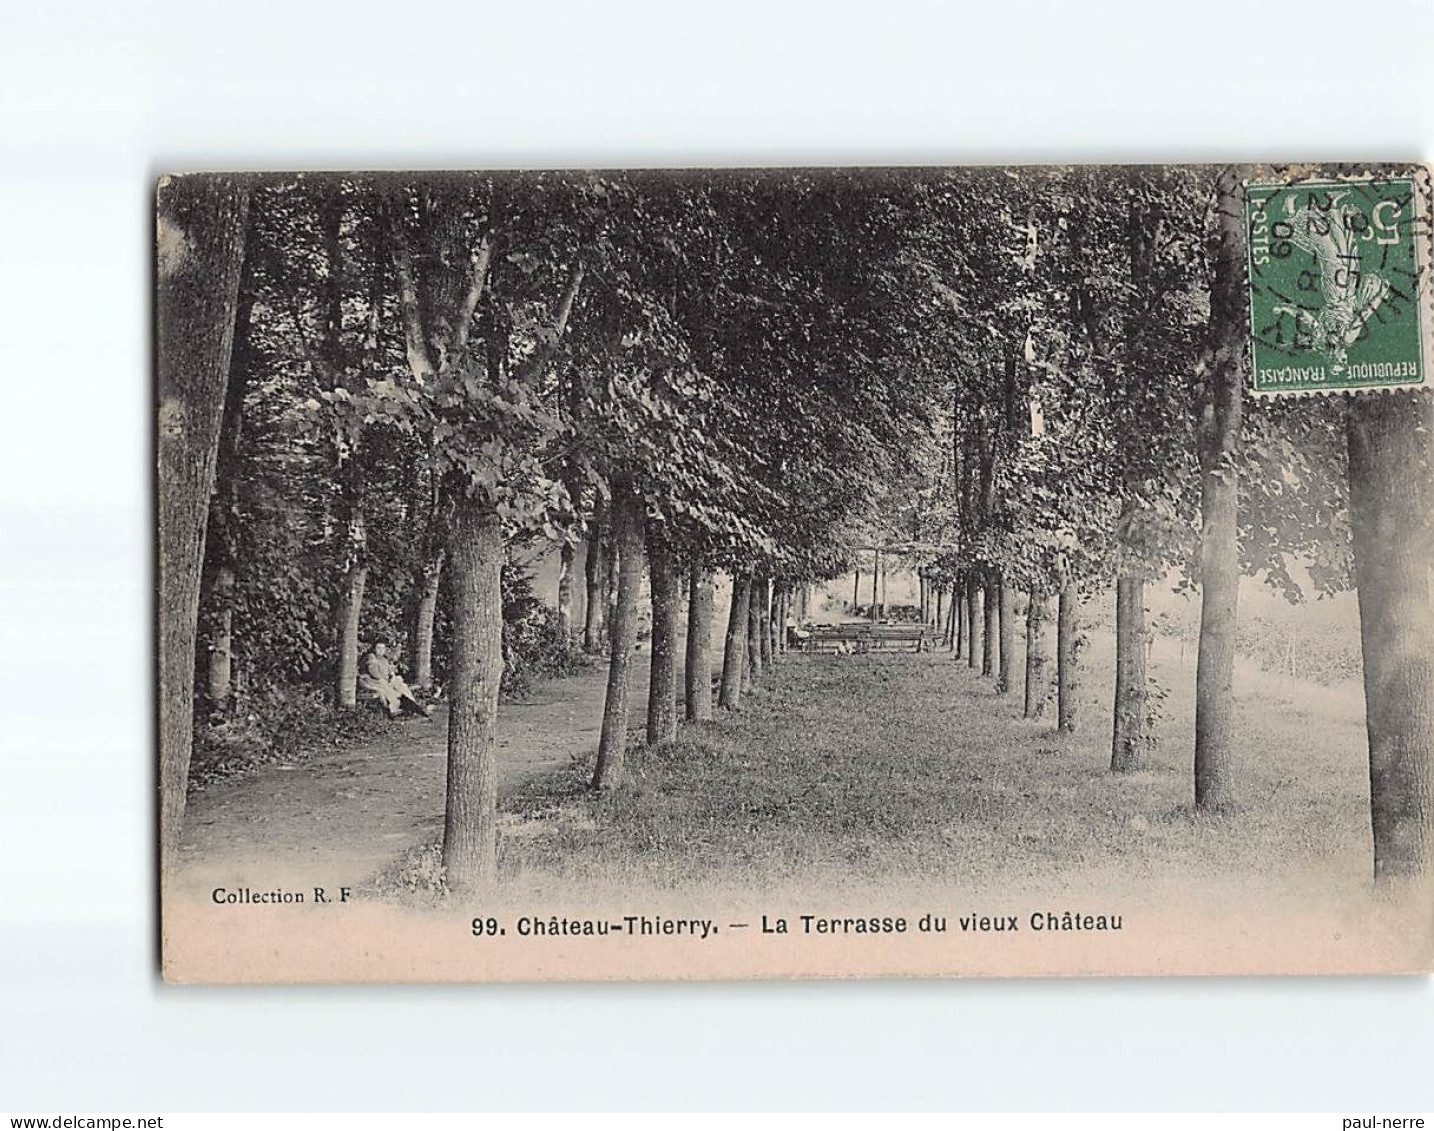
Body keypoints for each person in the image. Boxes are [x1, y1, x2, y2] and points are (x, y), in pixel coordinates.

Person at [358, 642, 431, 719]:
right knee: (385, 686)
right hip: (372, 681)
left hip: (383, 681)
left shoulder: (384, 660)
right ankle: (394, 709)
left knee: (399, 682)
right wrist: (387, 680)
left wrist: (392, 676)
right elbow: (375, 674)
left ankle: (413, 704)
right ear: (374, 649)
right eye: (378, 648)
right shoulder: (371, 657)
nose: (380, 651)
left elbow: (390, 671)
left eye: (382, 649)